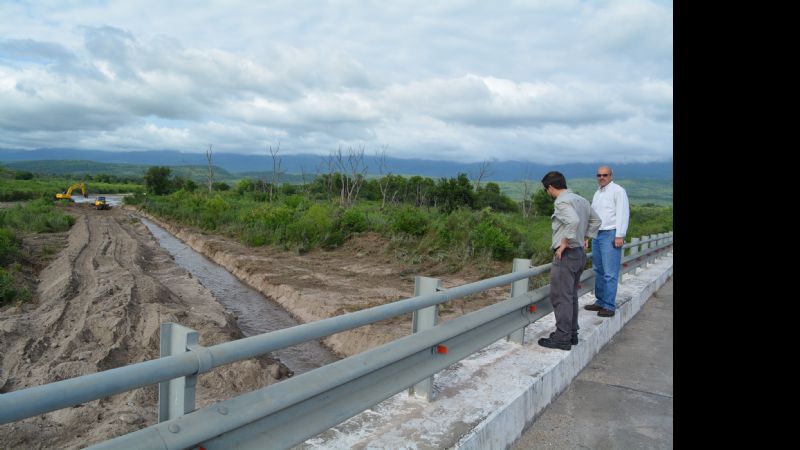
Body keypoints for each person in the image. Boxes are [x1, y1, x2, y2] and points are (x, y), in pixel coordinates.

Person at [538, 171, 601, 351]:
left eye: (546, 190)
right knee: (571, 295)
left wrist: (565, 242)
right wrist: (586, 237)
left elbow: (572, 221)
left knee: (561, 296)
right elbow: (597, 221)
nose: (547, 193)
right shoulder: (580, 199)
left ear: (550, 187)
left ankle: (562, 337)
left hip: (567, 255)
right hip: (579, 253)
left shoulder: (562, 201)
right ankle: (571, 333)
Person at [585, 165, 630, 318]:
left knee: (610, 273)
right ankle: (600, 301)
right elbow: (593, 216)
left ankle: (609, 306)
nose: (601, 177)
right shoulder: (597, 193)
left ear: (611, 175)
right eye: (599, 175)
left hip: (611, 234)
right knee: (598, 270)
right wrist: (587, 235)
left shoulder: (618, 190)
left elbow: (623, 213)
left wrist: (620, 235)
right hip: (597, 235)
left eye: (605, 175)